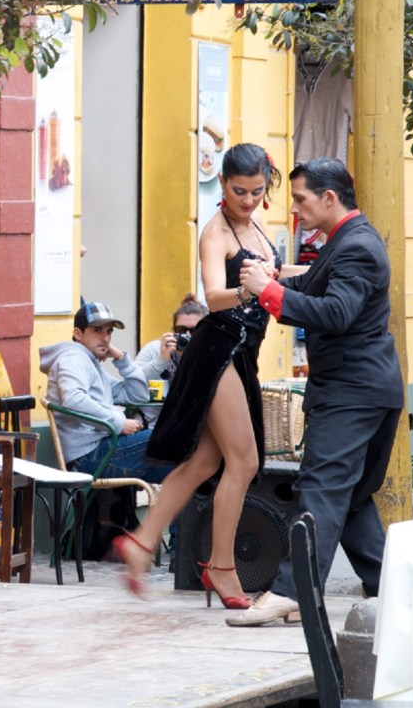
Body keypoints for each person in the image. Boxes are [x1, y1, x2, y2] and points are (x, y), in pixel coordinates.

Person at [113, 143, 307, 608]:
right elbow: (213, 294)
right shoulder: (215, 232)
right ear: (222, 184)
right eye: (239, 191)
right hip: (218, 348)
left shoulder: (258, 224)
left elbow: (275, 276)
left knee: (204, 463)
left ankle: (140, 544)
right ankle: (221, 567)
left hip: (244, 352)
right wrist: (250, 287)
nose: (248, 200)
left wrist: (309, 274)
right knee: (244, 463)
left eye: (257, 191)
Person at [227, 158, 403, 627]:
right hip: (365, 389)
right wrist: (279, 278)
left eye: (301, 199)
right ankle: (395, 591)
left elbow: (337, 311)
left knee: (322, 490)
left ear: (330, 198)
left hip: (352, 392)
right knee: (352, 498)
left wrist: (269, 291)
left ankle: (292, 591)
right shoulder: (346, 241)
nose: (295, 210)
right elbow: (318, 283)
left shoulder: (357, 246)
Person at [40, 302, 168, 485]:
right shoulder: (72, 359)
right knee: (167, 437)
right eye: (97, 330)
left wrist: (121, 359)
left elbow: (138, 396)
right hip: (88, 457)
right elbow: (73, 399)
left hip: (101, 449)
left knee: (179, 469)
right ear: (78, 333)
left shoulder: (89, 362)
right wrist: (118, 423)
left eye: (109, 331)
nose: (105, 337)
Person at [133, 293, 208, 423]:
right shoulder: (155, 349)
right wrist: (161, 361)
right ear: (173, 330)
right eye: (181, 330)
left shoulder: (209, 353)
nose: (187, 335)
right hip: (152, 424)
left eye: (194, 330)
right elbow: (132, 384)